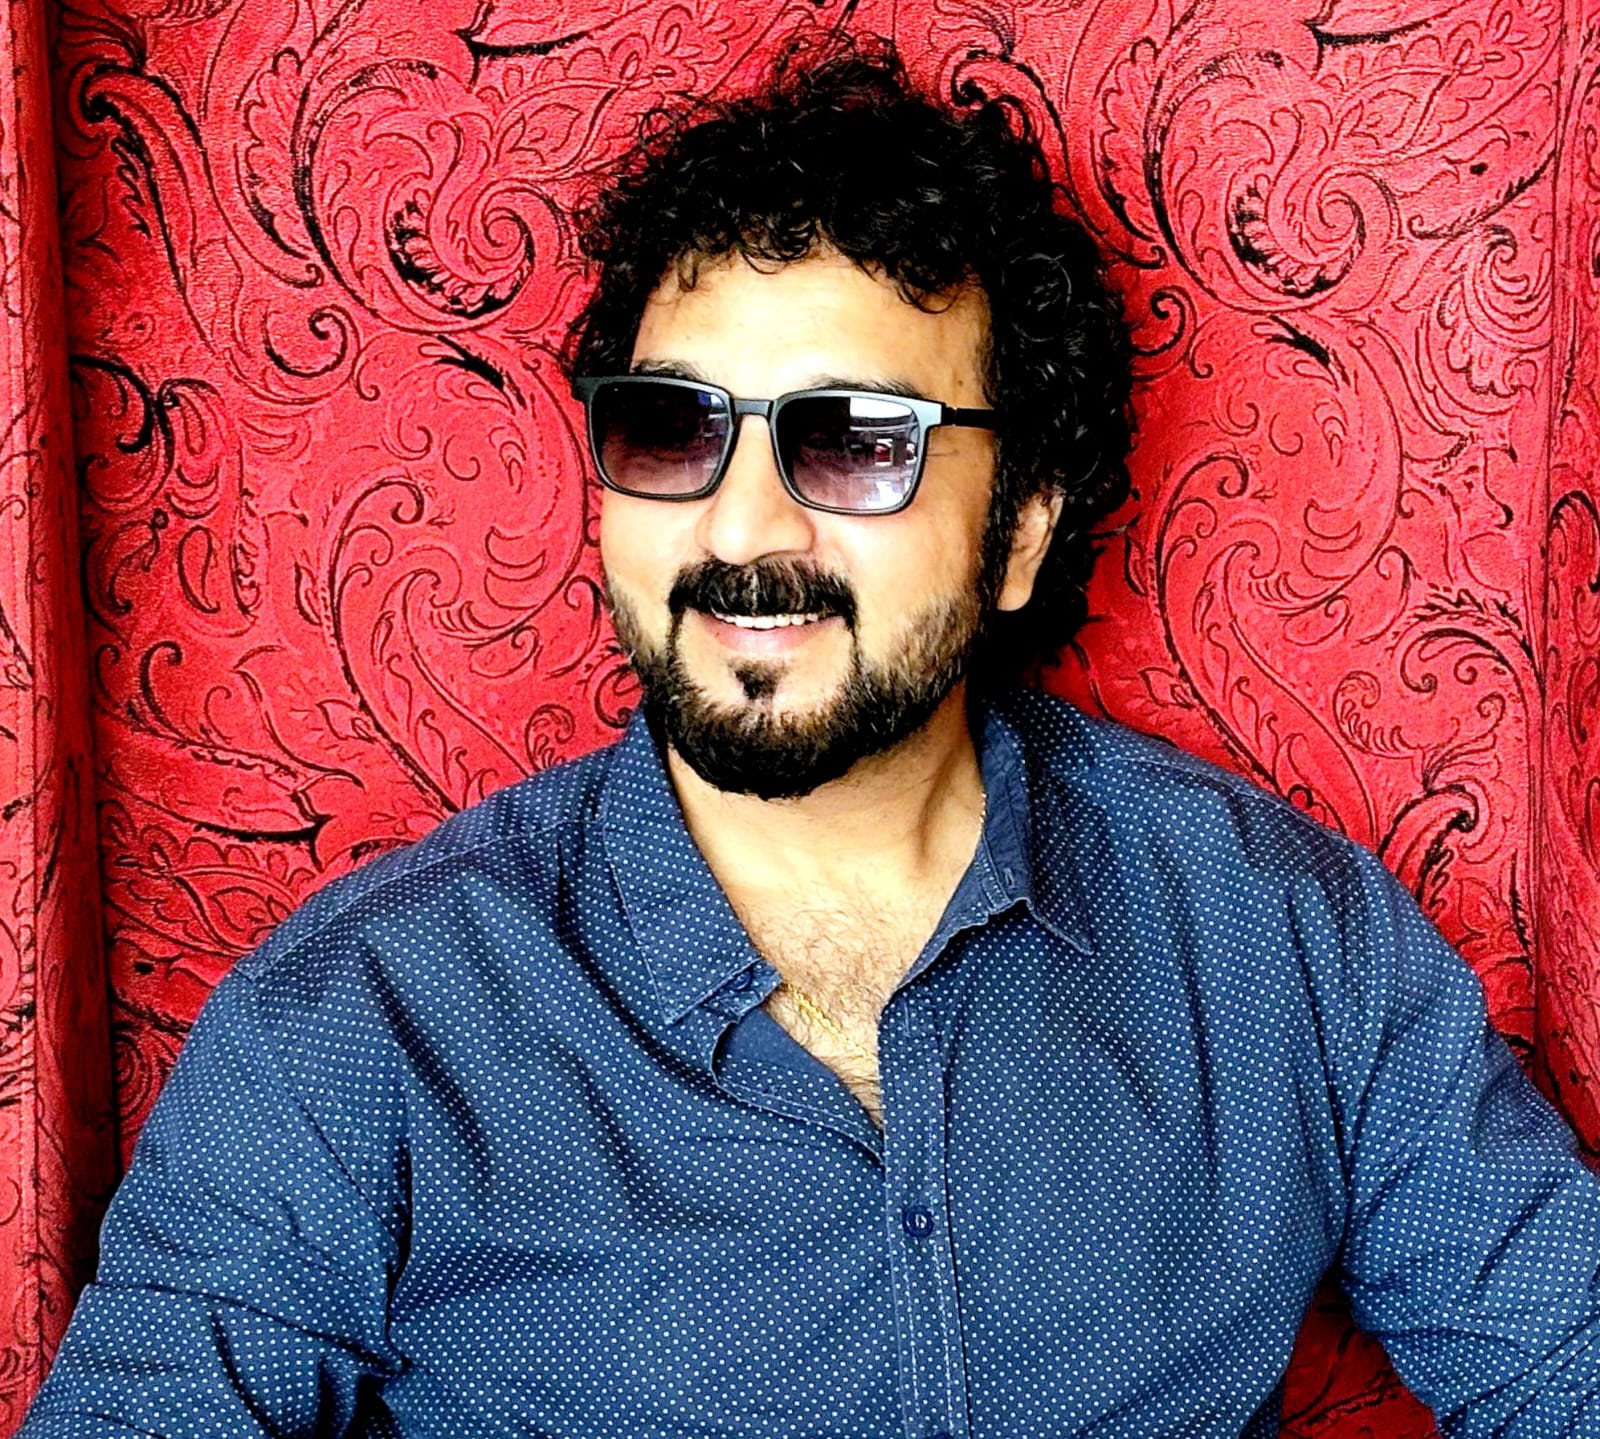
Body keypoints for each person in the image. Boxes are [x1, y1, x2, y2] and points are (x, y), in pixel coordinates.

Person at [21, 31, 1600, 1439]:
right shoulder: (362, 1028)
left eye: (853, 442)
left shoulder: (1281, 944)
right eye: (672, 428)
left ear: (1021, 532)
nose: (743, 528)